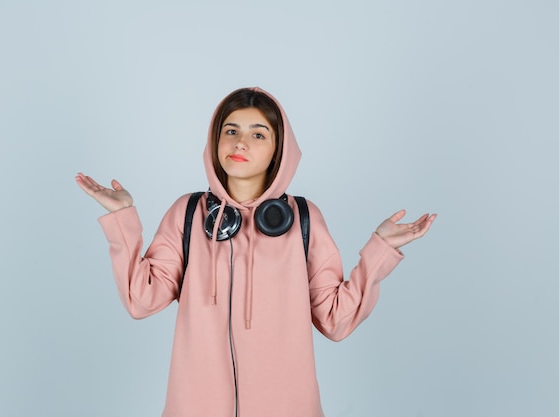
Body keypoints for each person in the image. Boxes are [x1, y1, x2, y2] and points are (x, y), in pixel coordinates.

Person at [75, 87, 436, 417]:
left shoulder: (303, 219)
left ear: (279, 149)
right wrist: (121, 218)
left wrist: (380, 249)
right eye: (230, 130)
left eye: (258, 134)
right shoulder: (187, 214)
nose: (240, 143)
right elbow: (142, 300)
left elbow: (335, 320)